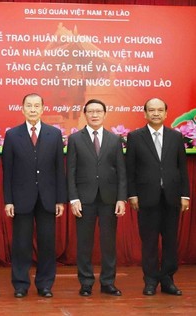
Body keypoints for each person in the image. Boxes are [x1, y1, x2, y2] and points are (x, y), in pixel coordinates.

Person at [2, 93, 67, 298]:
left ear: (42, 109)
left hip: (48, 198)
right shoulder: (12, 135)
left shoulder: (54, 134)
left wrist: (60, 199)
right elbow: (8, 172)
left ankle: (45, 284)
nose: (32, 109)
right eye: (28, 106)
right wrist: (8, 200)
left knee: (47, 243)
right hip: (21, 198)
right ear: (22, 109)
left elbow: (59, 169)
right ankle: (20, 285)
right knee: (21, 243)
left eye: (36, 106)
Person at [126, 98, 190, 296]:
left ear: (166, 114)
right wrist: (132, 194)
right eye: (151, 110)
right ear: (145, 114)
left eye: (160, 110)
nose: (156, 113)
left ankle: (168, 280)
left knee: (170, 241)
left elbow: (182, 169)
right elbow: (131, 170)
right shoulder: (135, 137)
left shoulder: (176, 137)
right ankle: (151, 280)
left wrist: (185, 195)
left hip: (171, 198)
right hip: (146, 198)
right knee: (150, 241)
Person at [66, 99, 127, 297]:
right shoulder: (75, 139)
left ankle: (108, 282)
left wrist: (121, 198)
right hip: (84, 199)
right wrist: (73, 199)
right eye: (90, 111)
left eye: (98, 111)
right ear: (84, 114)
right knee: (84, 243)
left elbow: (121, 172)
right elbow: (71, 171)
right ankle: (86, 283)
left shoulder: (114, 139)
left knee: (108, 243)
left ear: (104, 114)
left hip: (109, 198)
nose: (94, 115)